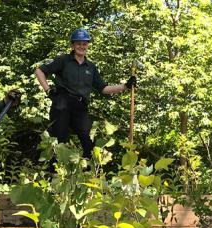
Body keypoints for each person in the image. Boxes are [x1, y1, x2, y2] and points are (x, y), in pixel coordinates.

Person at [35, 28, 137, 159]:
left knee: (88, 141)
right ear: (72, 45)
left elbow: (104, 88)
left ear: (87, 45)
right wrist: (48, 90)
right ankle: (55, 174)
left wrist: (125, 86)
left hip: (80, 106)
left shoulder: (91, 67)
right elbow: (39, 71)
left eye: (84, 44)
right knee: (58, 140)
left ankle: (89, 173)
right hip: (62, 102)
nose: (81, 46)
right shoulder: (63, 60)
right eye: (78, 43)